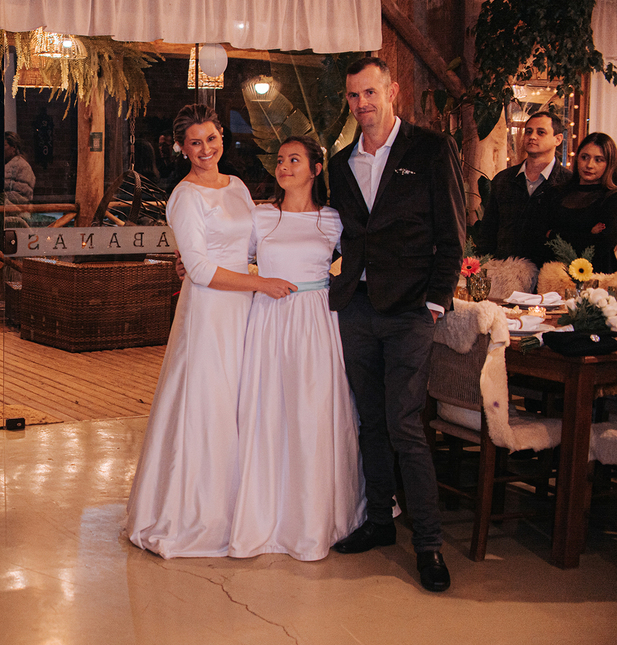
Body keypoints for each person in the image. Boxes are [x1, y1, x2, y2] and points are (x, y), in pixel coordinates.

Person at [125, 104, 295, 558]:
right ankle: (198, 513)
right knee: (209, 403)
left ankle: (245, 508)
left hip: (243, 310)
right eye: (195, 143)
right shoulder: (184, 196)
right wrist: (261, 284)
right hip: (209, 312)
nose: (205, 149)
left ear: (222, 137)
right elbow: (199, 269)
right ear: (182, 148)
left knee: (241, 402)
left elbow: (255, 244)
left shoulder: (237, 186)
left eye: (212, 139)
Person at [326, 57, 465, 593]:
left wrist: (434, 303)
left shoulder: (429, 149)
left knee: (405, 425)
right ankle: (381, 521)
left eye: (370, 92)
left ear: (393, 91)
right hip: (358, 309)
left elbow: (452, 234)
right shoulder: (341, 163)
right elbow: (334, 233)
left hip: (410, 312)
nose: (361, 103)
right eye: (353, 95)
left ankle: (428, 544)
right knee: (370, 422)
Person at [229, 136, 365, 561]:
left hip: (316, 320)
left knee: (313, 411)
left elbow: (364, 259)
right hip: (269, 318)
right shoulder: (261, 217)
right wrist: (187, 260)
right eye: (280, 160)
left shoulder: (332, 220)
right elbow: (229, 257)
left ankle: (315, 516)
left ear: (315, 169)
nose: (284, 166)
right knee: (268, 408)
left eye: (294, 159)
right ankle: (267, 512)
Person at [475, 111, 571, 263]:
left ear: (558, 139)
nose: (532, 136)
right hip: (504, 270)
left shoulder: (568, 183)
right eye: (528, 131)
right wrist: (482, 264)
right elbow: (488, 231)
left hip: (549, 272)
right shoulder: (504, 179)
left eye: (541, 132)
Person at [541, 131, 617, 272]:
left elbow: (601, 246)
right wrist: (589, 233)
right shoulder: (556, 193)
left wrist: (553, 234)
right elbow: (541, 238)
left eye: (598, 160)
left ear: (609, 164)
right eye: (584, 157)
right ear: (577, 159)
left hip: (596, 277)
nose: (589, 165)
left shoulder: (612, 198)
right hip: (553, 275)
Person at [3, 130, 36, 205]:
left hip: (16, 210)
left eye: (4, 145)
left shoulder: (23, 166)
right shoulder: (2, 165)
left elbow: (23, 194)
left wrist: (2, 199)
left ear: (14, 147)